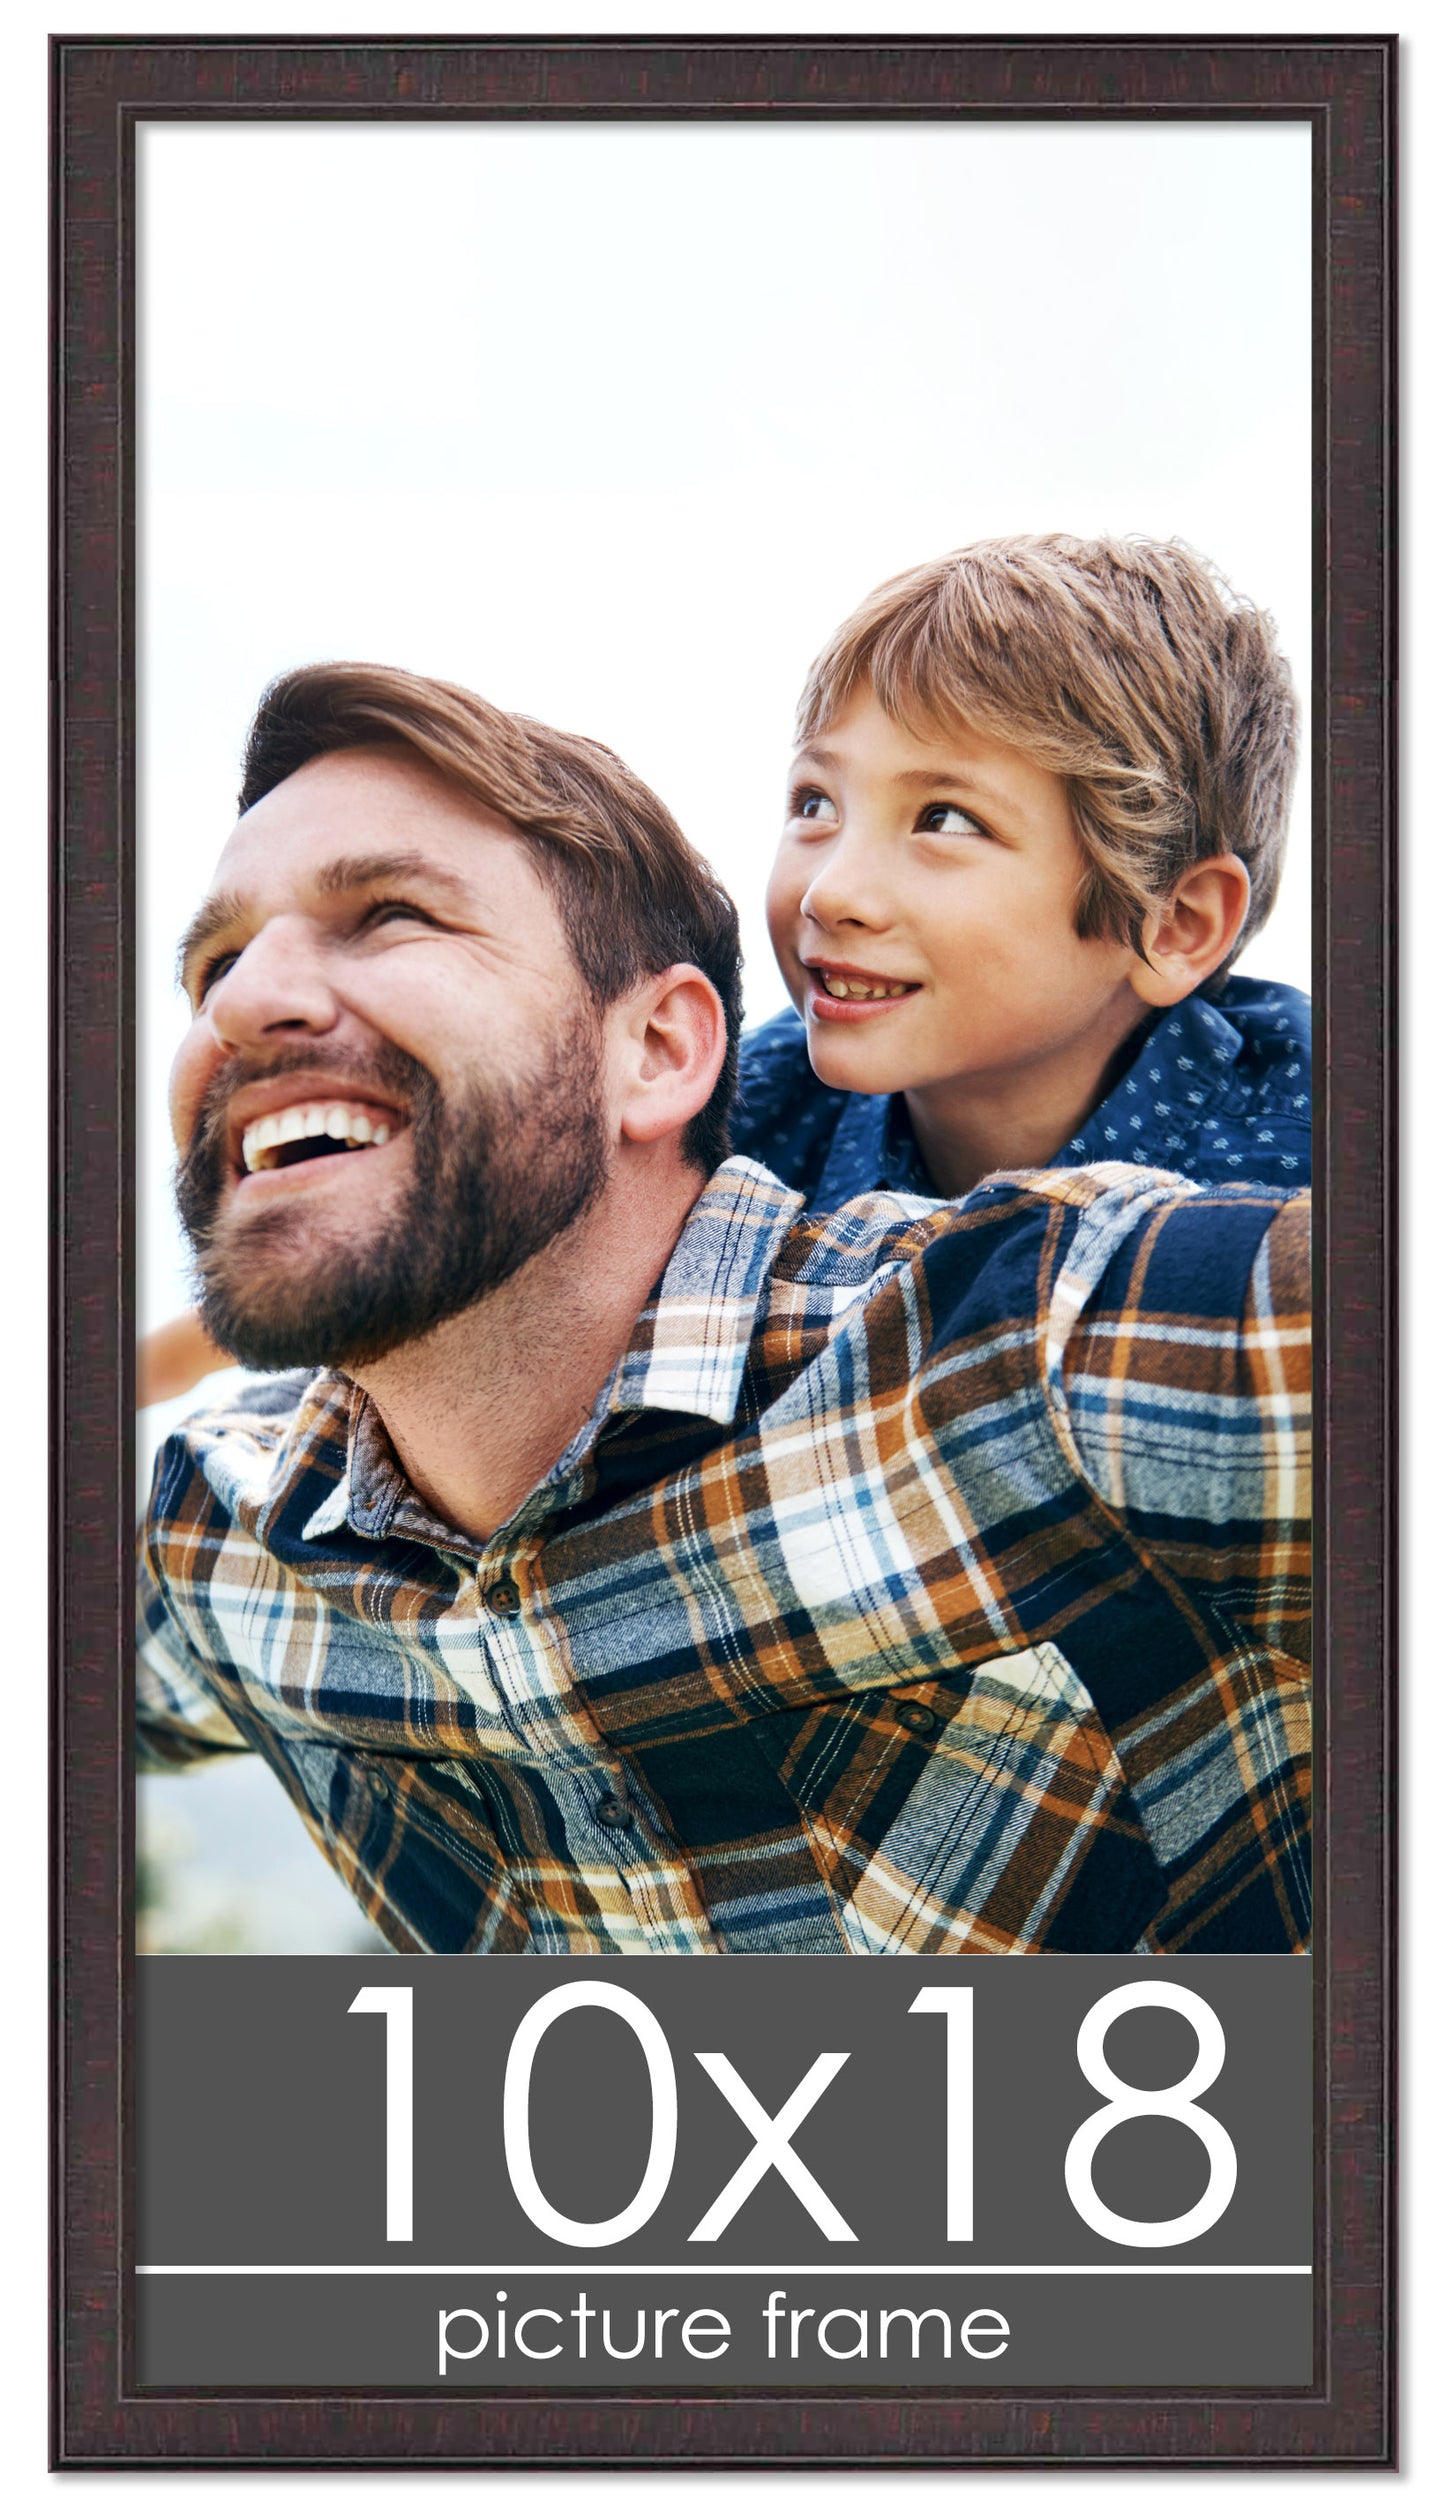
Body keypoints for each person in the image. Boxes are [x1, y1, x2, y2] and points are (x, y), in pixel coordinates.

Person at [138, 662, 1311, 1956]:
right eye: (218, 960)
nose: (243, 1000)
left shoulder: (1039, 1351)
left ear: (656, 1053)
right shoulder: (226, 1536)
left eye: (394, 915)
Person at [734, 535, 1310, 1208]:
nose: (829, 893)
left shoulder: (1328, 1172)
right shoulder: (725, 1128)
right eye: (817, 803)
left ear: (1173, 924)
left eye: (945, 819)